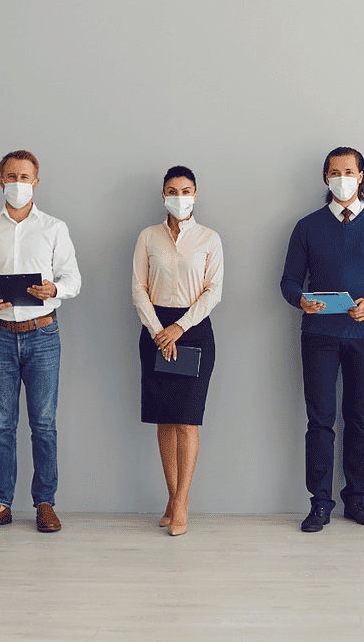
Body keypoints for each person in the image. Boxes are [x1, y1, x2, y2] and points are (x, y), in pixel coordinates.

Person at [280, 147, 364, 532]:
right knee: (320, 420)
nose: (343, 178)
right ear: (326, 178)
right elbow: (289, 282)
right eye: (335, 172)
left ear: (362, 176)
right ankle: (320, 504)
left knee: (358, 418)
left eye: (349, 171)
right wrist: (300, 300)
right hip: (318, 335)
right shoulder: (307, 227)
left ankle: (356, 500)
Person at [0, 150, 81, 533]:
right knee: (1, 424)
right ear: (1, 181)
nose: (18, 183)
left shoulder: (54, 228)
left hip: (42, 335)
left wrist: (54, 289)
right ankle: (0, 503)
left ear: (36, 181)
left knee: (44, 424)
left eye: (24, 177)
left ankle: (45, 503)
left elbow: (73, 279)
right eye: (11, 176)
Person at [132, 165, 222, 537]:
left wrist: (179, 328)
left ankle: (182, 502)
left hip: (193, 331)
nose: (179, 197)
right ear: (163, 195)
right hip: (155, 330)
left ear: (195, 195)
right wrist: (159, 331)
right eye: (172, 190)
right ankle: (171, 497)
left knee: (186, 420)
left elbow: (213, 291)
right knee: (165, 419)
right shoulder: (148, 236)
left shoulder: (209, 238)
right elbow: (138, 289)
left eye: (186, 191)